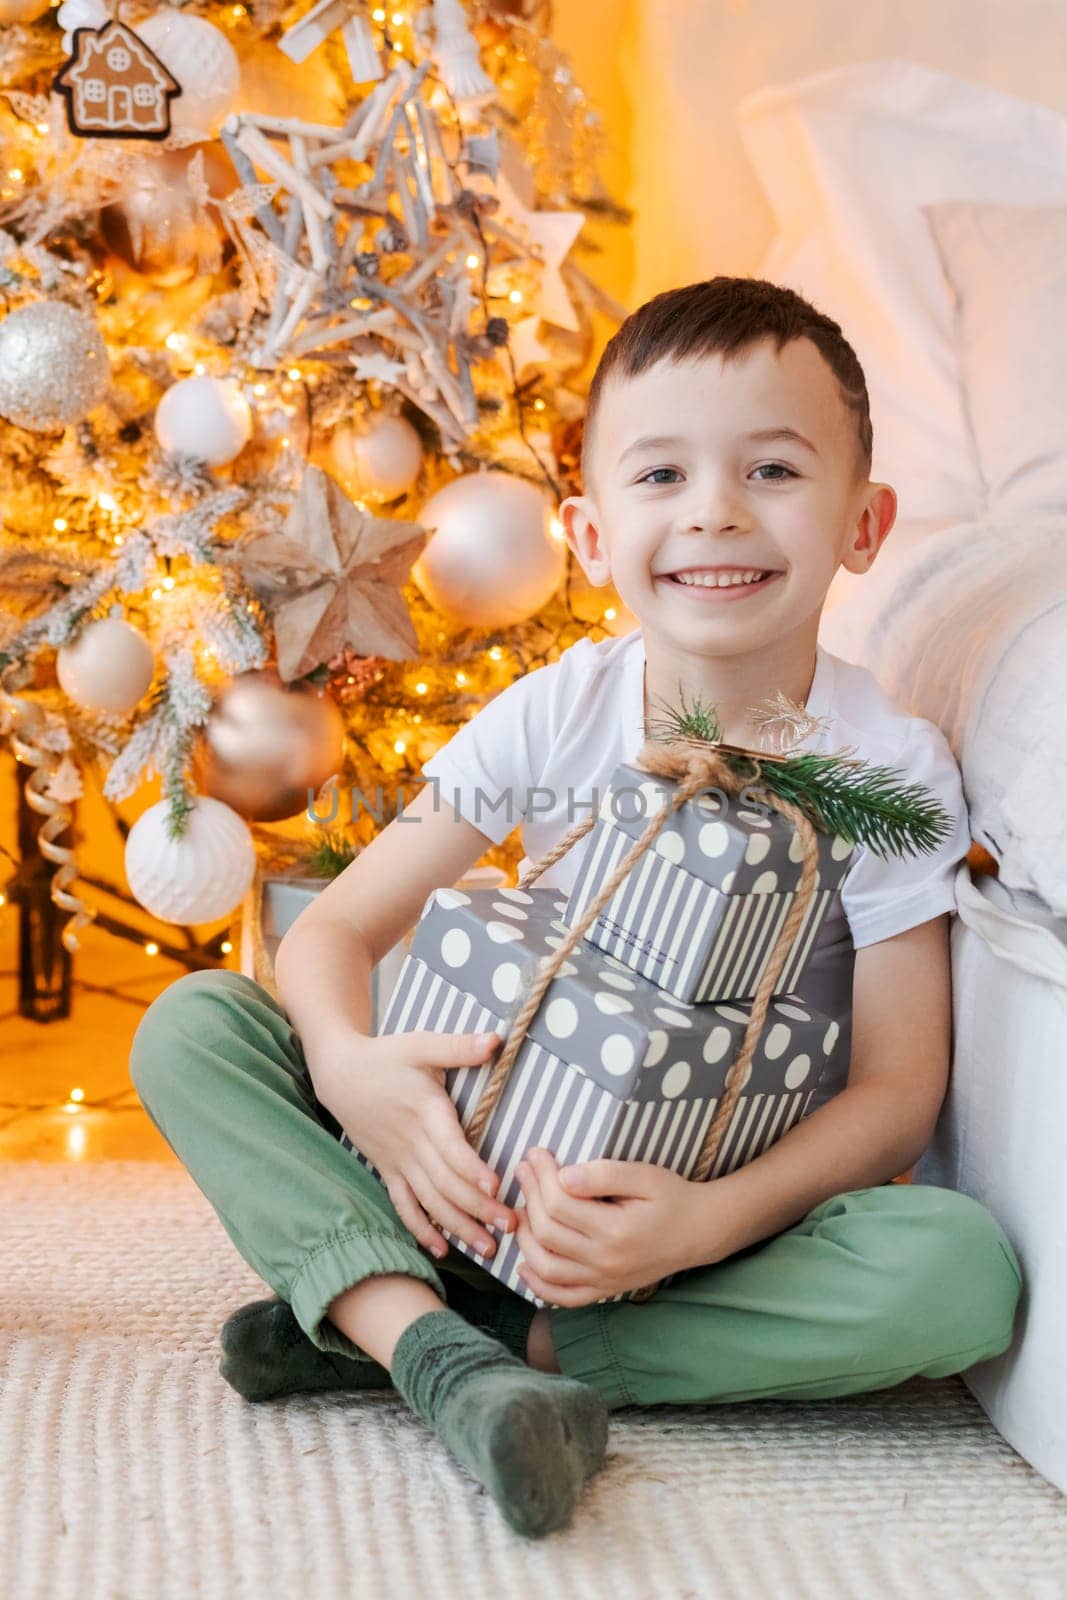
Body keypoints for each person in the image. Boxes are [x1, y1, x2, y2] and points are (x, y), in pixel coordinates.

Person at [129, 276, 1022, 1541]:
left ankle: (435, 1339)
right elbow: (335, 929)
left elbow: (893, 1091)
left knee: (956, 1274)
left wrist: (701, 1221)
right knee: (195, 1027)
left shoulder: (883, 766)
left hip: (698, 1217)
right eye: (659, 476)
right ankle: (434, 1337)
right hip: (463, 1170)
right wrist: (356, 1075)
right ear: (590, 537)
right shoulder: (558, 709)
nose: (713, 510)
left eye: (772, 469)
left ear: (861, 524)